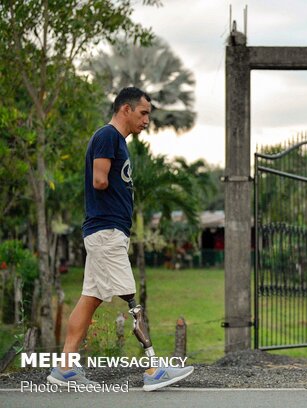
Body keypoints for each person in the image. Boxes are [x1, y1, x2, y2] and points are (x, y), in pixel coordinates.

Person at [47, 87, 194, 391]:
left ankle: (64, 368)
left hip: (106, 232)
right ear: (125, 109)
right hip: (106, 231)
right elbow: (99, 179)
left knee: (90, 300)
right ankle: (154, 369)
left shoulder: (118, 143)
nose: (146, 120)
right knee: (132, 299)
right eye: (143, 113)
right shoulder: (108, 136)